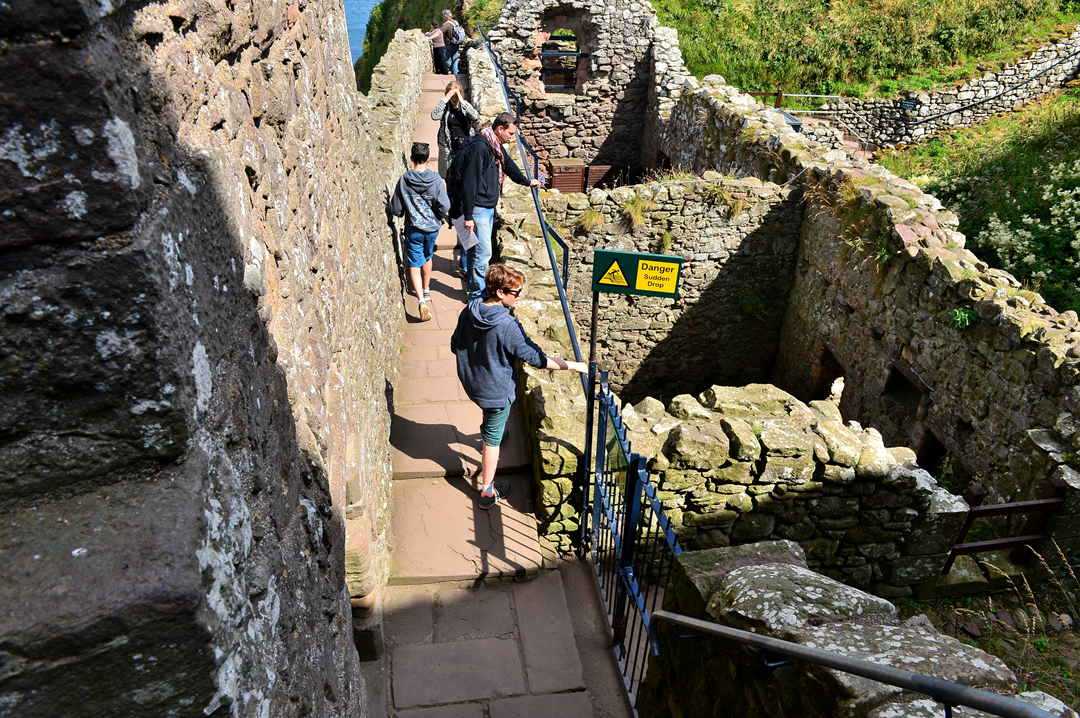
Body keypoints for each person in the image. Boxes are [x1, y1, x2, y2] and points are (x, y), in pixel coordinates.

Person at [451, 264, 587, 509]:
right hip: (495, 390)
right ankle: (487, 492)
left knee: (492, 418)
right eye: (516, 292)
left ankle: (495, 430)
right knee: (491, 442)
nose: (520, 296)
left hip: (473, 382)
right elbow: (536, 358)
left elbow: (455, 344)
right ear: (500, 293)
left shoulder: (469, 310)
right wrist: (575, 366)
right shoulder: (507, 325)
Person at [451, 112, 541, 301]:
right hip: (478, 209)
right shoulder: (480, 148)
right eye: (510, 133)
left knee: (475, 251)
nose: (512, 138)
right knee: (483, 254)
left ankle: (474, 291)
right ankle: (478, 296)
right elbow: (470, 183)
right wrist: (468, 216)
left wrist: (527, 182)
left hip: (486, 208)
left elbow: (509, 166)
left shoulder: (494, 145)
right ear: (500, 129)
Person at [390, 142, 450, 322]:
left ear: (411, 158)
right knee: (428, 256)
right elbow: (445, 206)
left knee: (414, 263)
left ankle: (421, 301)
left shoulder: (404, 180)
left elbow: (396, 209)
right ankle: (426, 289)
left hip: (413, 229)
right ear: (428, 158)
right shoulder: (436, 180)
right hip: (432, 228)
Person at [441, 9, 462, 75]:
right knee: (454, 59)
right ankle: (455, 73)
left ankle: (453, 69)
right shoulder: (456, 22)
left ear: (445, 16)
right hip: (456, 43)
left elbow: (440, 32)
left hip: (449, 45)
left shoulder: (446, 24)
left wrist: (430, 37)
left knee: (444, 58)